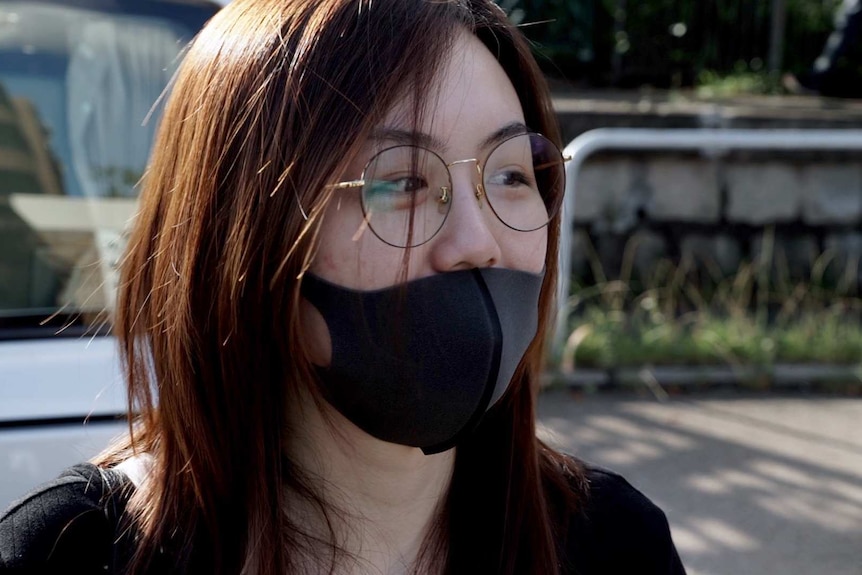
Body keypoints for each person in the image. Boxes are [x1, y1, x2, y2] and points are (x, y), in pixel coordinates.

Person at [0, 0, 686, 573]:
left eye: (511, 173)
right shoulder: (68, 554)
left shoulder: (613, 543)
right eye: (402, 181)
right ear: (243, 234)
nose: (478, 240)